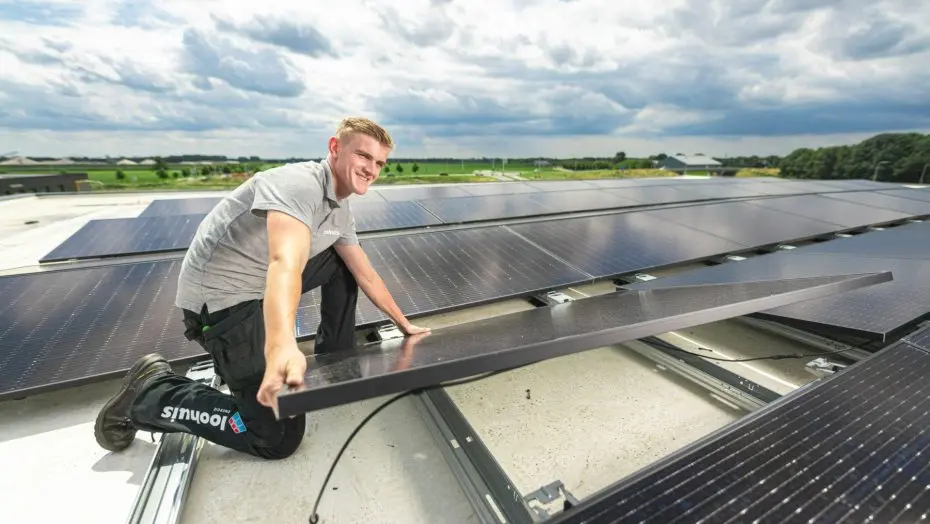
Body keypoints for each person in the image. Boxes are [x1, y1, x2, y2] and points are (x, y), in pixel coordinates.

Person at [94, 117, 430, 460]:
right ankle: (151, 394)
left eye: (379, 162)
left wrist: (404, 324)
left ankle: (334, 363)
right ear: (334, 148)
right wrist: (281, 345)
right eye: (364, 156)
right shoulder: (299, 185)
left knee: (341, 263)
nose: (372, 169)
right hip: (222, 301)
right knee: (275, 437)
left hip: (258, 288)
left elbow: (366, 274)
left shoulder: (340, 207)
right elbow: (284, 262)